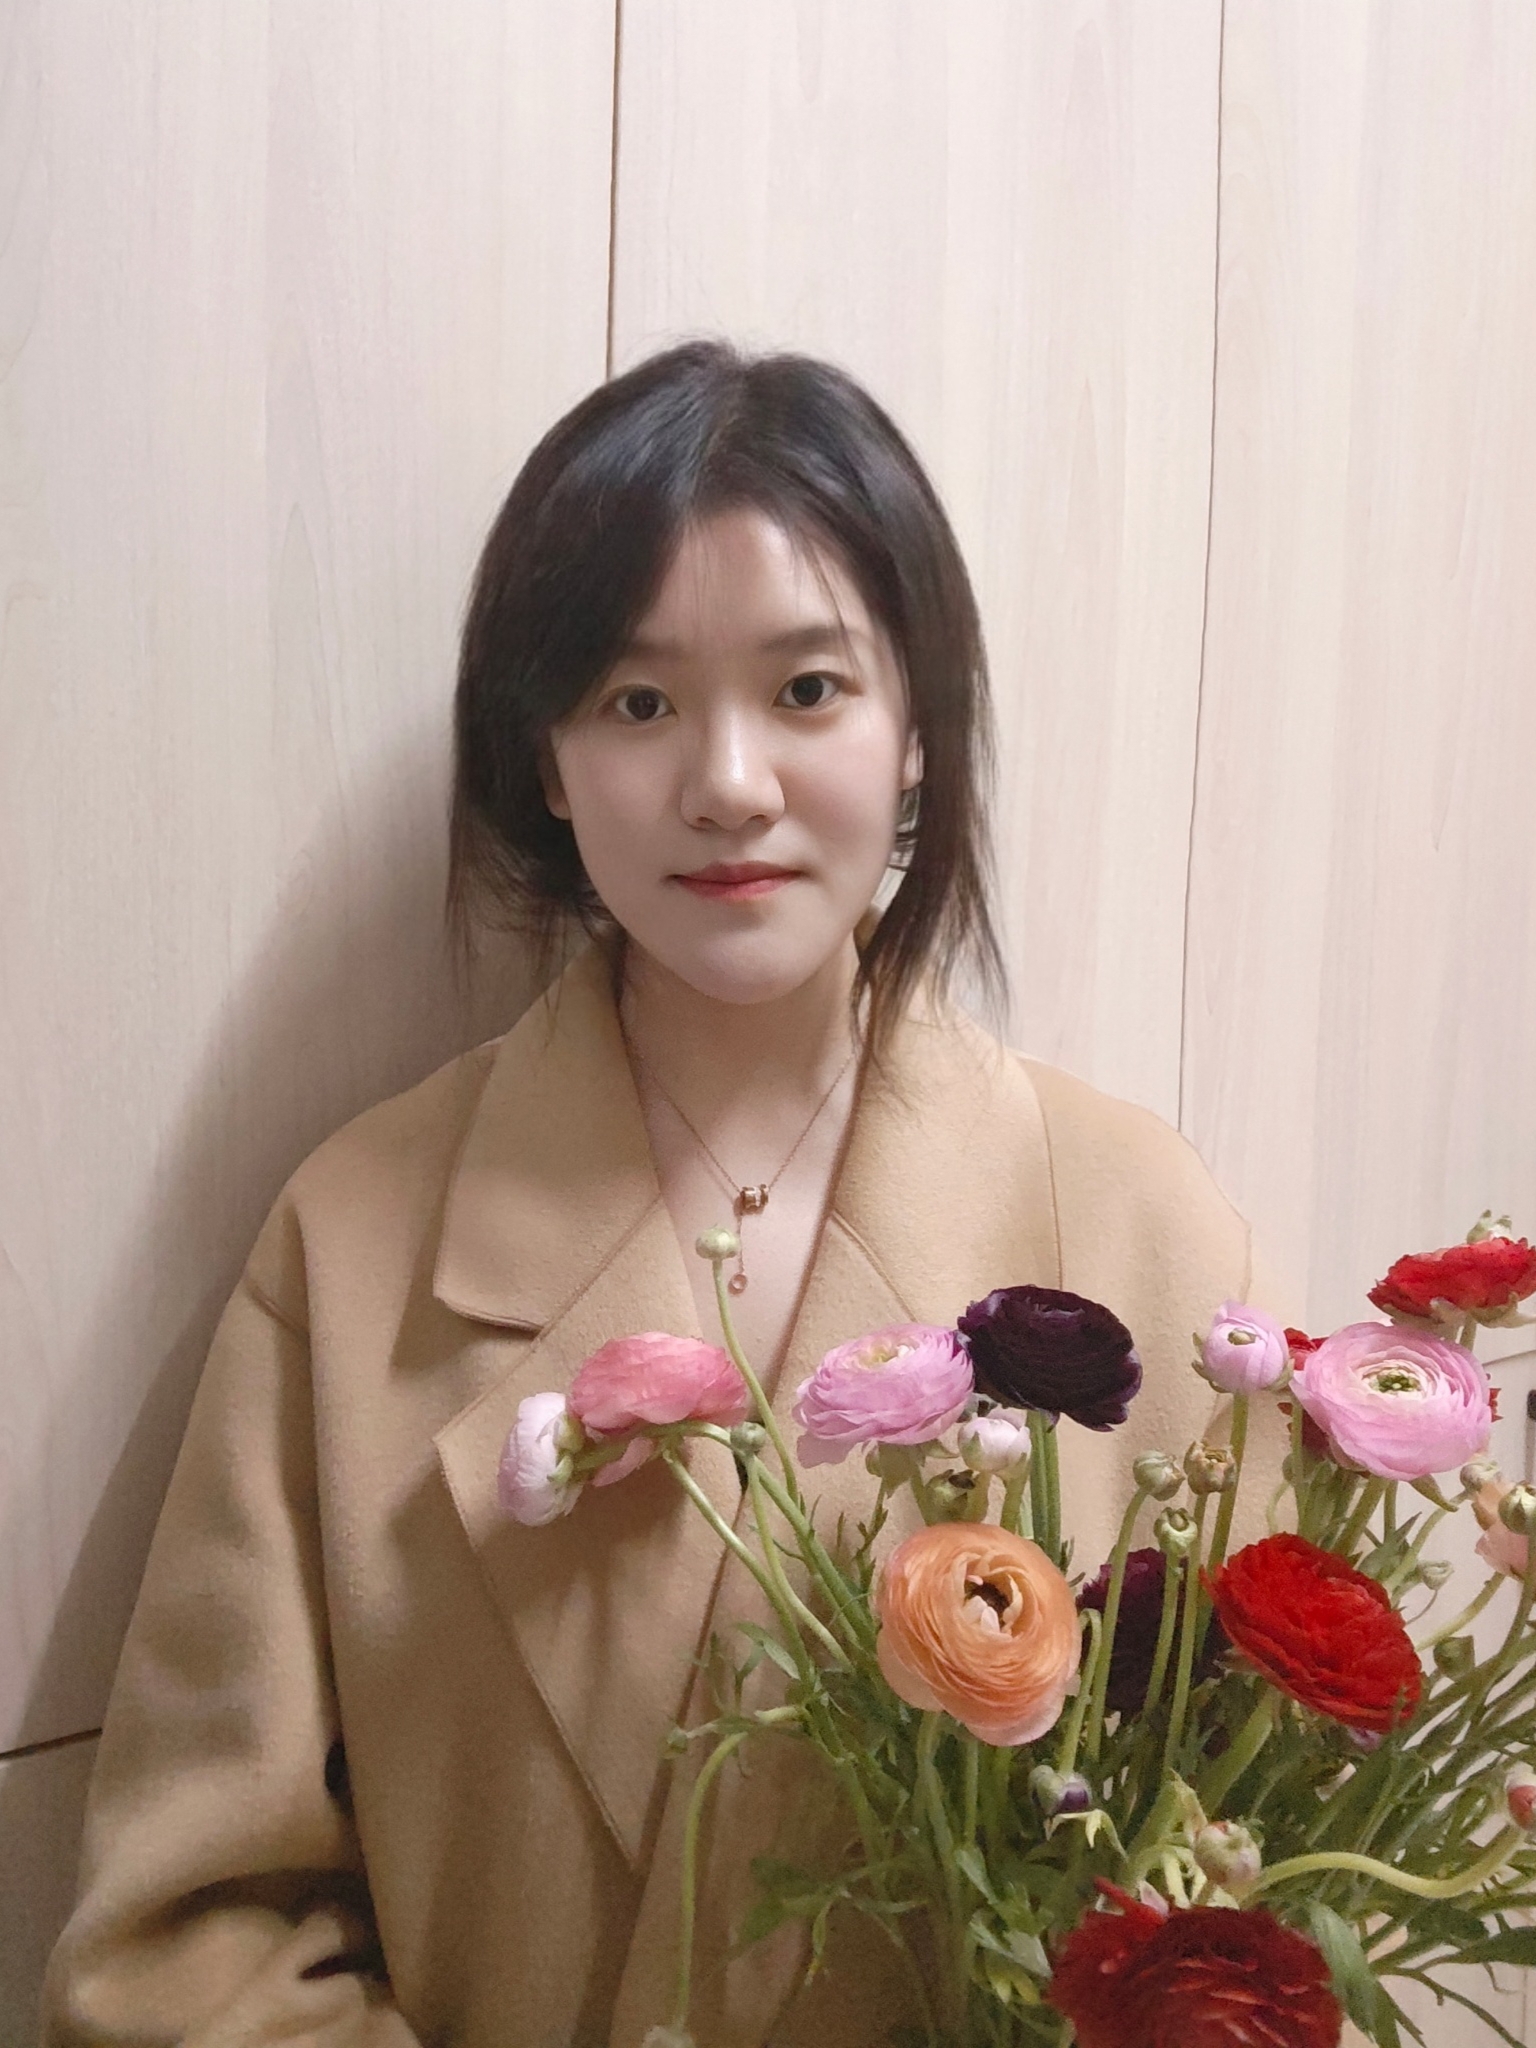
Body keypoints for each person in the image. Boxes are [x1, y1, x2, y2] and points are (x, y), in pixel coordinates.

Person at [44, 342, 1270, 2048]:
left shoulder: (1142, 1225)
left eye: (809, 689)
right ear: (547, 761)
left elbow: (1255, 1886)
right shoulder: (355, 1243)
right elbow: (185, 1944)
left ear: (918, 731)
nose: (728, 781)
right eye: (637, 702)